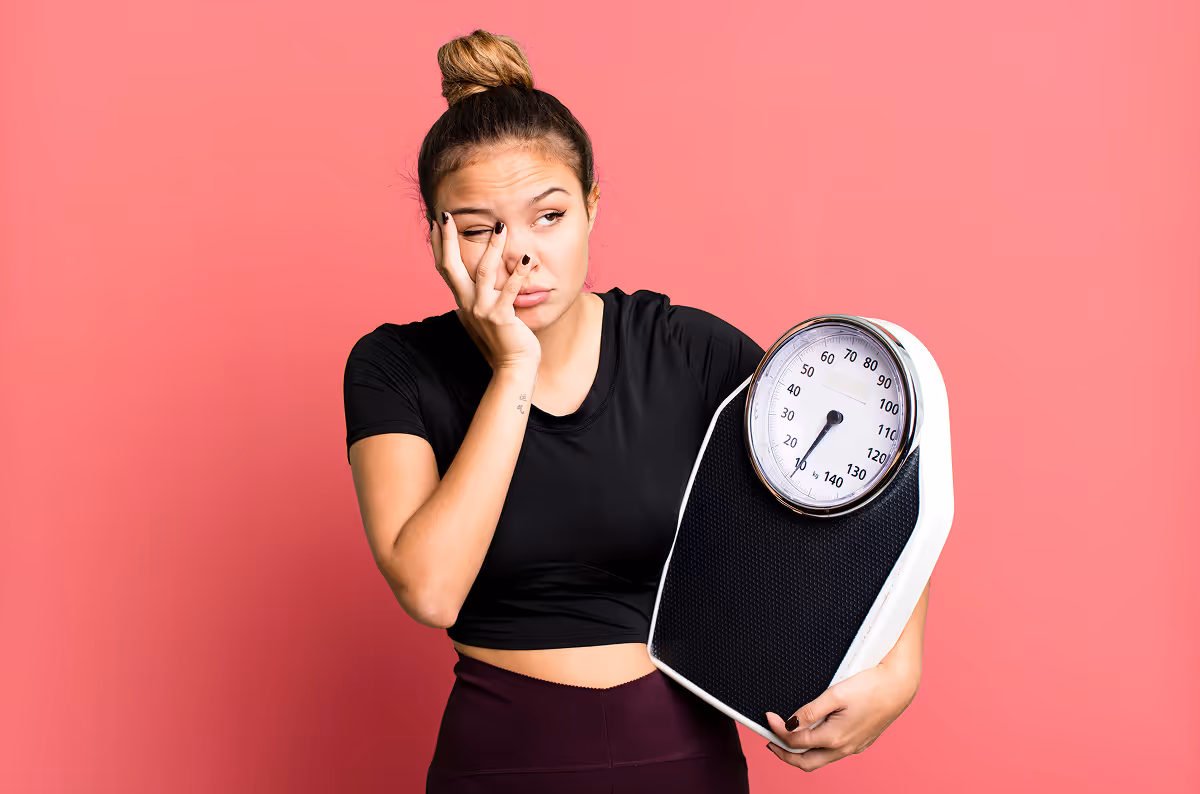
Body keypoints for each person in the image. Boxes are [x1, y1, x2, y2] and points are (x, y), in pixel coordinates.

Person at [343, 29, 930, 793]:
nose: (518, 254)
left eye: (547, 216)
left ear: (591, 205)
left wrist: (900, 669)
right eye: (481, 228)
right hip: (498, 761)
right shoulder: (393, 366)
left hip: (682, 755)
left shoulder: (687, 351)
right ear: (438, 238)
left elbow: (868, 480)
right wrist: (513, 366)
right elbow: (431, 589)